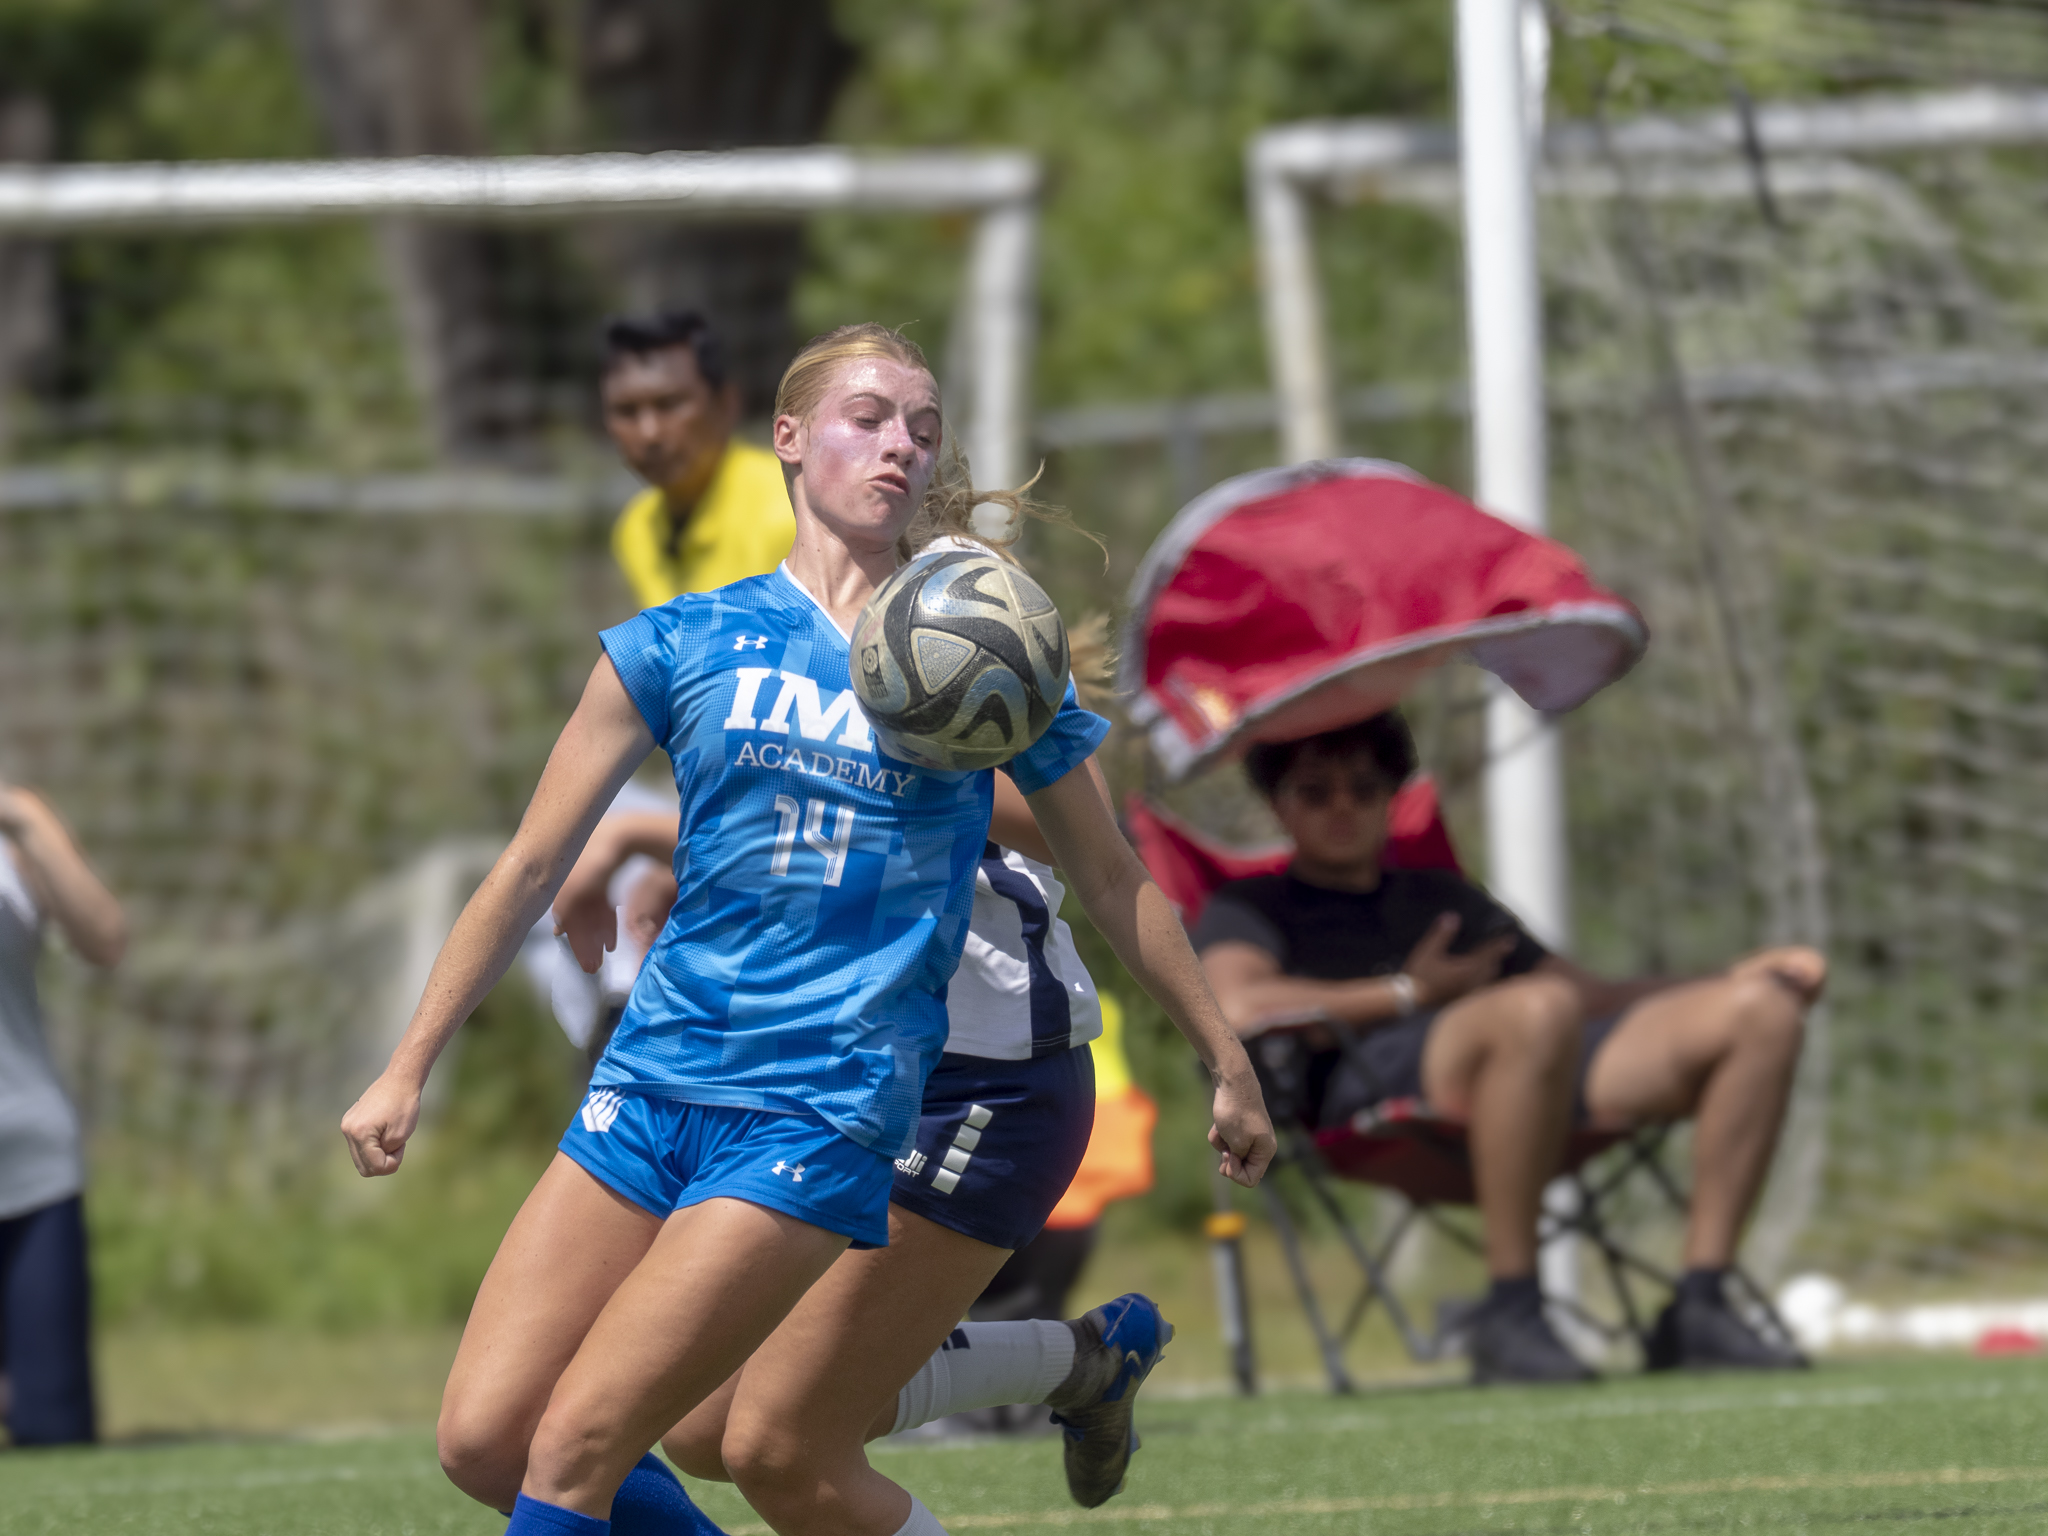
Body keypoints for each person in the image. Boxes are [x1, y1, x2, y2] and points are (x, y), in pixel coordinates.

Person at [340, 322, 1274, 1536]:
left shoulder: (971, 652)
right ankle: (1066, 1364)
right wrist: (407, 1065)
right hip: (656, 1074)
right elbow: (526, 864)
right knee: (486, 1439)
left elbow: (1107, 869)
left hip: (819, 1102)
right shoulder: (681, 640)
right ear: (786, 438)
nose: (902, 446)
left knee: (592, 1448)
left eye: (923, 429)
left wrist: (1227, 1056)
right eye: (870, 417)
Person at [1193, 711, 1825, 1384]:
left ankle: (1701, 1301)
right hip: (1370, 1095)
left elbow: (1594, 995)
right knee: (1535, 1010)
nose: (1342, 805)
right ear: (1278, 805)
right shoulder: (1251, 905)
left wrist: (1736, 977)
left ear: (1393, 796)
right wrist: (1410, 992)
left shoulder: (1442, 898)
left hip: (1533, 1075)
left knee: (1763, 1015)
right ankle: (1512, 1306)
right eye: (1316, 792)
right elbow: (1238, 1007)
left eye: (1364, 787)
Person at [0, 779, 127, 1447]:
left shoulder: (15, 844)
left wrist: (26, 815)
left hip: (33, 1171)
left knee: (55, 1439)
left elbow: (106, 939)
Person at [603, 311, 797, 610]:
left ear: (727, 404)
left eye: (669, 404)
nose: (649, 433)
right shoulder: (636, 528)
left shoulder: (794, 513)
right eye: (626, 411)